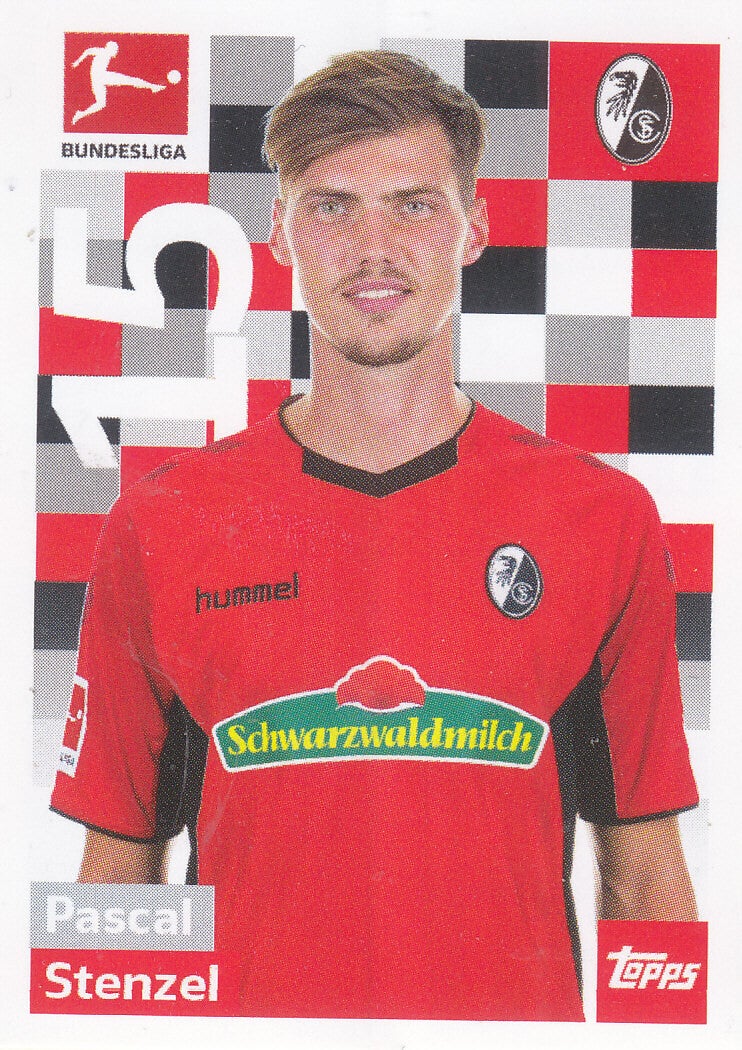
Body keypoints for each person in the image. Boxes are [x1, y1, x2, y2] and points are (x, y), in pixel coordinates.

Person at [51, 50, 698, 1021]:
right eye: (332, 207)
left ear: (474, 226)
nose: (374, 248)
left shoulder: (601, 516)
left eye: (413, 205)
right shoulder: (162, 523)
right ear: (279, 231)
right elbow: (112, 883)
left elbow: (646, 880)